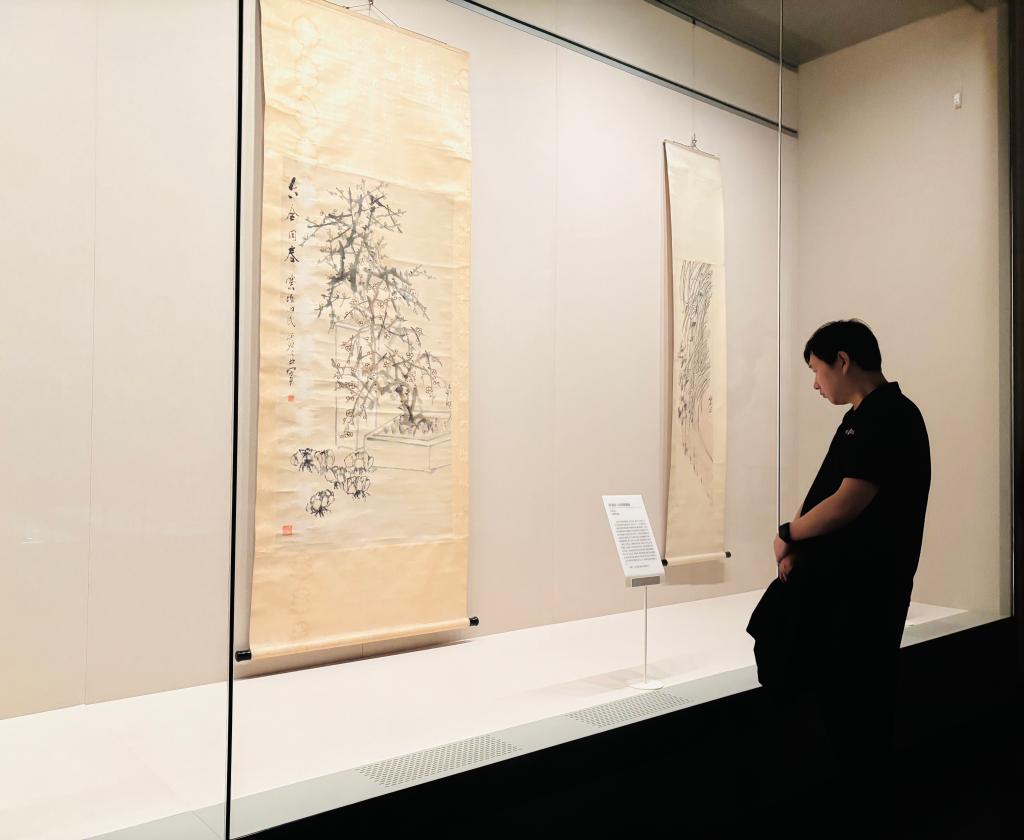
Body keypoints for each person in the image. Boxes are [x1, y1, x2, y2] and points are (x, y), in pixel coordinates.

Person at [769, 319, 931, 826]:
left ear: (842, 361)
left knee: (858, 706)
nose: (815, 384)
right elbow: (832, 492)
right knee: (846, 703)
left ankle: (866, 811)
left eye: (817, 370)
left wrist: (789, 533)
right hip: (847, 588)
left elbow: (848, 501)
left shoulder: (890, 415)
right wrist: (797, 543)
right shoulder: (864, 416)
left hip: (864, 592)